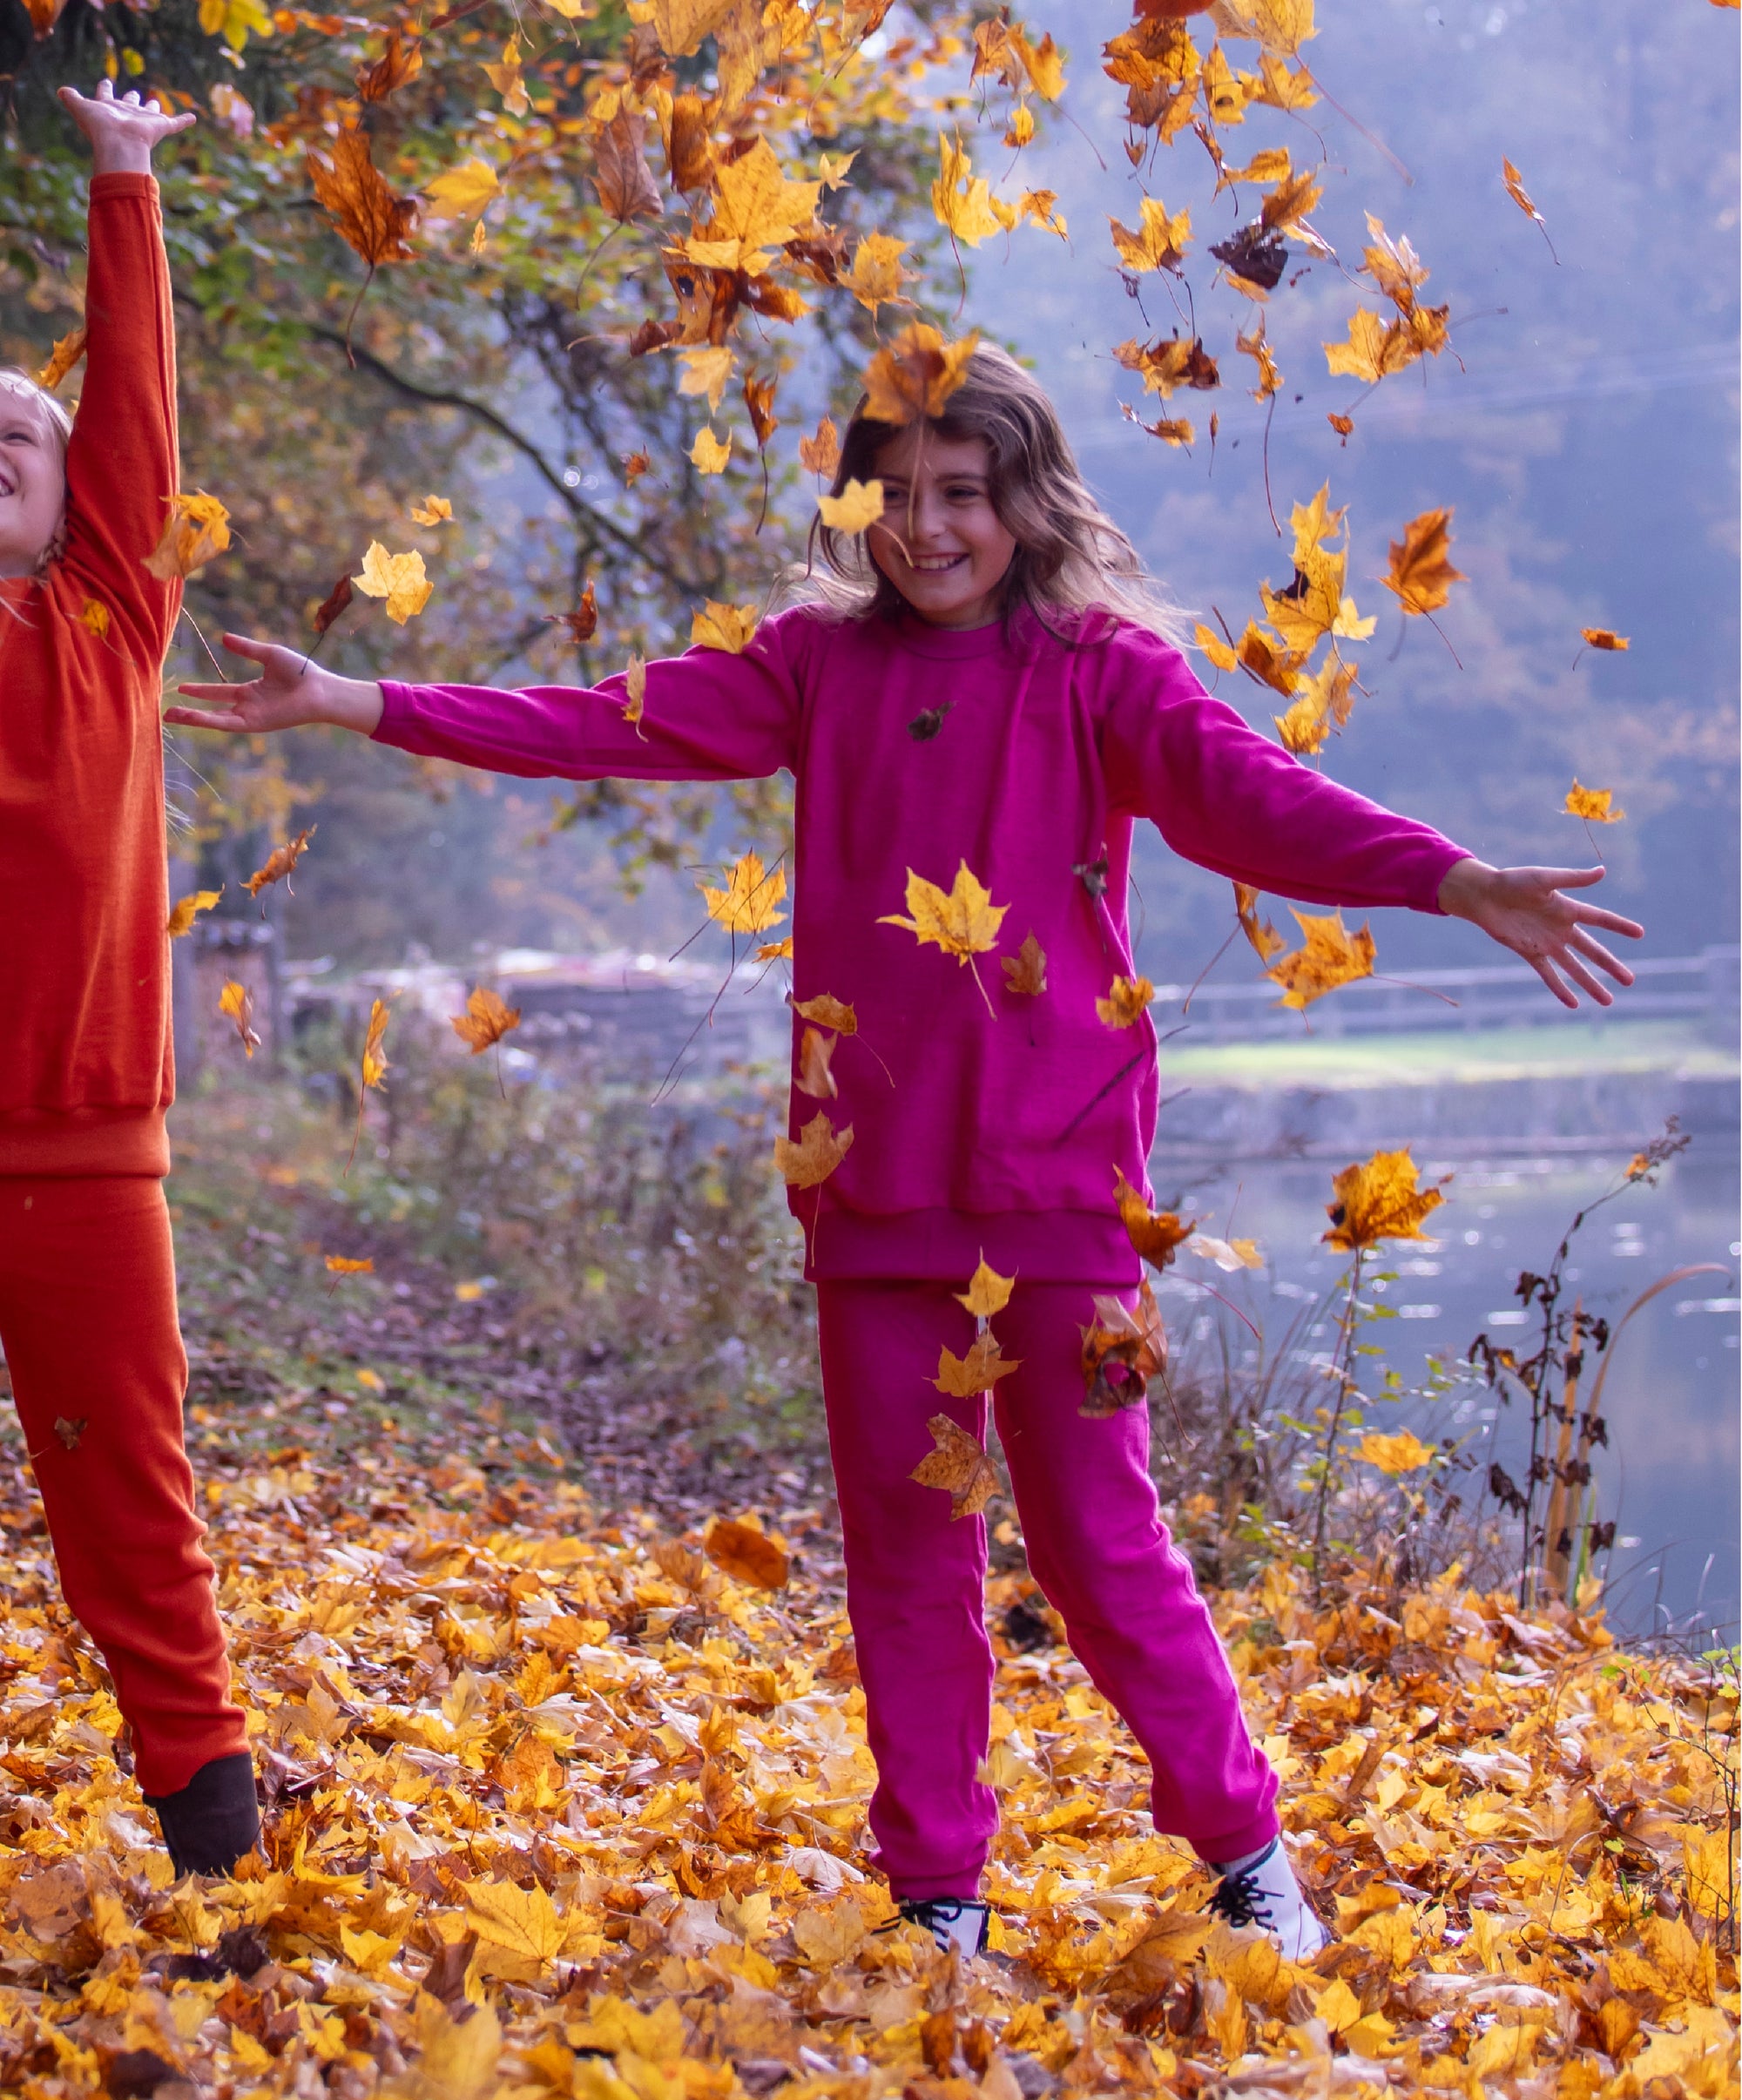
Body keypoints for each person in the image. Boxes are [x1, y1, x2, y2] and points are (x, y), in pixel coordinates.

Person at [166, 348, 1641, 1955]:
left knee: (1101, 1544)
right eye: (902, 497)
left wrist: (1449, 879)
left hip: (1064, 1189)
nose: (931, 531)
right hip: (872, 1194)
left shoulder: (1103, 676)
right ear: (861, 504)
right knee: (910, 1558)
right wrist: (357, 701)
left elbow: (1253, 799)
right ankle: (940, 1894)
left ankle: (1245, 1857)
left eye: (967, 495)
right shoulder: (813, 666)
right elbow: (605, 724)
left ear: (1027, 501)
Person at [1, 84, 260, 1879]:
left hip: (81, 1151)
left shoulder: (107, 614)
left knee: (128, 1503)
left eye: (14, 440)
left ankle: (213, 1827)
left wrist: (125, 176)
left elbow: (139, 417)